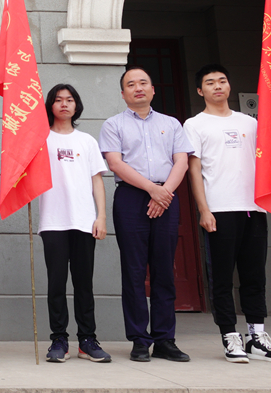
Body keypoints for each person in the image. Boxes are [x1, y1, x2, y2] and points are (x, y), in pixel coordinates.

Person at [184, 64, 271, 364]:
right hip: (219, 210)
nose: (217, 86)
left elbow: (268, 160)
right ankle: (230, 336)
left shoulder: (249, 122)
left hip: (253, 209)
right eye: (210, 82)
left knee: (254, 276)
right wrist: (203, 209)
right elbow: (194, 169)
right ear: (200, 90)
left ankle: (257, 336)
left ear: (229, 86)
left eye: (222, 81)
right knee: (221, 278)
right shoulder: (195, 124)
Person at [99, 66, 193, 363]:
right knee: (134, 271)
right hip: (131, 197)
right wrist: (152, 189)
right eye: (131, 84)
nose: (137, 88)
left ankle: (165, 339)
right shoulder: (113, 124)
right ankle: (139, 339)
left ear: (152, 90)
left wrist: (163, 193)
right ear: (123, 93)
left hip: (167, 194)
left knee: (165, 270)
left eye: (143, 83)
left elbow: (182, 162)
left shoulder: (172, 124)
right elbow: (115, 163)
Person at [39, 84, 111, 363]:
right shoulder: (41, 139)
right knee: (56, 284)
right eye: (58, 100)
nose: (64, 104)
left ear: (76, 105)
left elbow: (97, 181)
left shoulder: (87, 141)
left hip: (84, 222)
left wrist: (101, 216)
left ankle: (87, 340)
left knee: (84, 284)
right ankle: (59, 339)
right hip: (53, 221)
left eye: (69, 100)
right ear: (51, 105)